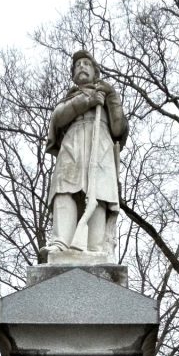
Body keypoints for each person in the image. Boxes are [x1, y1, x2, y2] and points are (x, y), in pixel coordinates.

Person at [45, 50, 128, 257]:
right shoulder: (70, 98)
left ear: (95, 71)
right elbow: (58, 118)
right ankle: (61, 243)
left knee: (98, 194)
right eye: (77, 64)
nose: (81, 66)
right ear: (73, 74)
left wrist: (112, 98)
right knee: (64, 190)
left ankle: (95, 248)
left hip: (100, 147)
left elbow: (118, 130)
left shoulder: (107, 97)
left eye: (86, 64)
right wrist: (86, 101)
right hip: (72, 146)